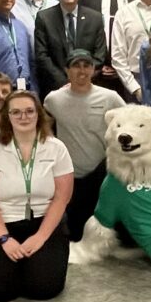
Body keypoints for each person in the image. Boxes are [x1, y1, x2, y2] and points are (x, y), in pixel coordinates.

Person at [0, 90, 74, 302]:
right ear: (7, 117)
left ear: (39, 114)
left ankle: (30, 266)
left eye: (29, 111)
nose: (23, 117)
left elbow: (61, 198)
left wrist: (41, 237)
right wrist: (4, 239)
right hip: (1, 223)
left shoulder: (57, 149)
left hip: (43, 222)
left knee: (44, 290)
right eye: (16, 112)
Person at [45, 50, 124, 241]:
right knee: (76, 234)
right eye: (76, 66)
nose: (82, 71)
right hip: (70, 176)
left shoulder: (110, 97)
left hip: (101, 174)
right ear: (66, 70)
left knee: (105, 232)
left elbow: (129, 121)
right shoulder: (53, 99)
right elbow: (44, 123)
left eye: (86, 65)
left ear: (94, 69)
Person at [34, 0, 106, 100]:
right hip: (56, 90)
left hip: (89, 89)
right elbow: (42, 56)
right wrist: (65, 82)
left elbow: (100, 56)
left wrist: (81, 79)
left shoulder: (95, 18)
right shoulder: (44, 18)